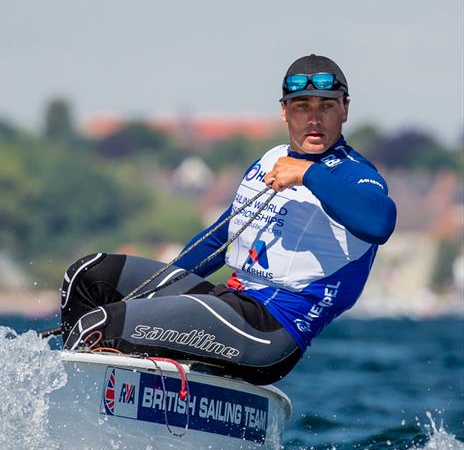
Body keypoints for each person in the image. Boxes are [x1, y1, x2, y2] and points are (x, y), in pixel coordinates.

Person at [60, 54, 397, 385]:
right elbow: (218, 241)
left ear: (345, 109)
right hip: (227, 302)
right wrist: (147, 298)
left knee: (104, 325)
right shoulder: (271, 161)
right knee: (88, 277)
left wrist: (308, 173)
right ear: (284, 111)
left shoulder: (357, 176)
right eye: (302, 106)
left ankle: (98, 402)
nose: (314, 118)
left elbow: (379, 224)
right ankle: (88, 396)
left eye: (326, 106)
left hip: (270, 332)